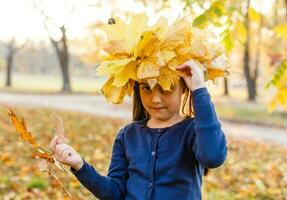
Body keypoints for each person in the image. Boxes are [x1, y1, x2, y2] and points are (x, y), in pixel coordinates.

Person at [50, 59, 228, 200]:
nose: (155, 98)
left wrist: (199, 90)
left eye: (166, 88)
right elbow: (114, 193)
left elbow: (213, 156)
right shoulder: (128, 135)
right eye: (146, 88)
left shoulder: (193, 131)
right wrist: (79, 165)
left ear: (183, 87)